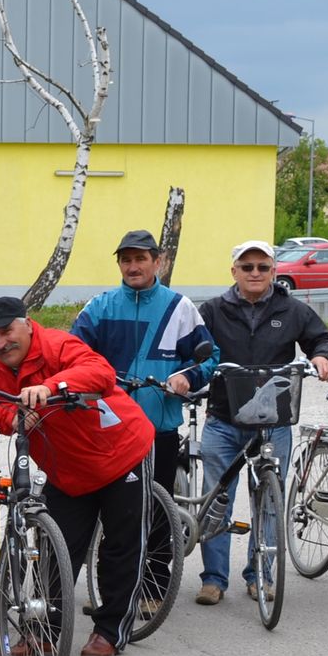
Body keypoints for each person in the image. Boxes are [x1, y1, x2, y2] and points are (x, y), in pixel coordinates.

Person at [0, 295, 155, 656]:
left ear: (27, 323)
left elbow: (100, 372)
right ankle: (43, 634)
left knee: (121, 547)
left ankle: (110, 631)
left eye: (7, 332)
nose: (1, 344)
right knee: (54, 550)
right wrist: (9, 417)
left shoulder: (57, 345)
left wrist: (50, 387)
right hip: (65, 469)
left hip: (120, 452)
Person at [70, 229, 218, 609]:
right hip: (109, 429)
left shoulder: (179, 308)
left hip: (158, 428)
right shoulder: (100, 307)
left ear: (158, 262)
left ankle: (153, 588)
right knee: (111, 514)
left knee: (156, 512)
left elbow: (209, 357)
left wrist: (187, 377)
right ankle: (111, 595)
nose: (133, 266)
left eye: (140, 259)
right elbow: (73, 355)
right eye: (126, 259)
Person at [192, 240, 328, 605]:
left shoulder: (292, 309)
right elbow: (192, 347)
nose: (255, 273)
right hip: (224, 419)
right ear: (234, 272)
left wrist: (323, 356)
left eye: (262, 267)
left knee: (269, 501)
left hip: (274, 422)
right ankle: (214, 579)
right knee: (216, 501)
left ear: (274, 271)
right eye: (247, 267)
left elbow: (322, 339)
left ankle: (261, 574)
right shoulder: (212, 310)